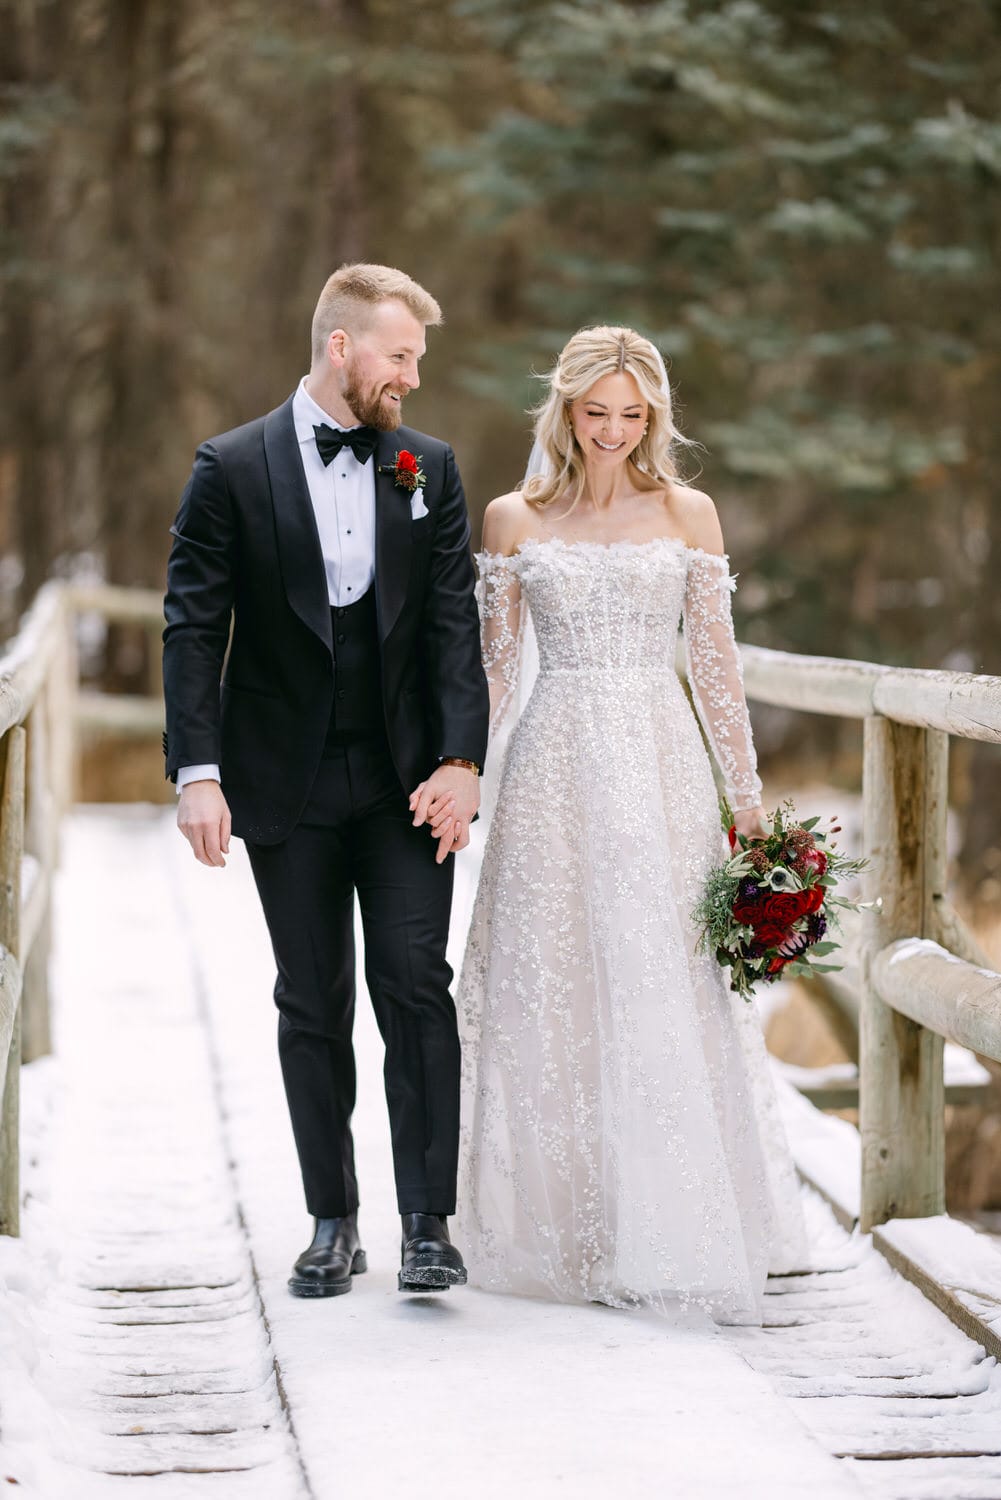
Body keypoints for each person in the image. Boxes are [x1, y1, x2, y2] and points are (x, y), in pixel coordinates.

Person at [453, 325, 808, 1322]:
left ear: (651, 417)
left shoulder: (686, 512)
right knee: (552, 979)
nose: (611, 431)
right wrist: (463, 773)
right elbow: (491, 671)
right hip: (554, 763)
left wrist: (745, 806)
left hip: (659, 763)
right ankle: (563, 1226)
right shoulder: (513, 518)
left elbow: (714, 669)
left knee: (663, 976)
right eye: (594, 411)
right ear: (564, 411)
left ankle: (675, 1226)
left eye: (630, 414)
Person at [163, 263, 489, 1297]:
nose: (412, 379)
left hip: (405, 786)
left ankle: (428, 1224)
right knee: (310, 1001)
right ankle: (330, 1219)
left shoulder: (426, 466)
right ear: (341, 348)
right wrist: (197, 772)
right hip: (283, 785)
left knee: (414, 988)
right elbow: (192, 623)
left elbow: (452, 628)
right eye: (400, 357)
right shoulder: (230, 466)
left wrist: (460, 760)